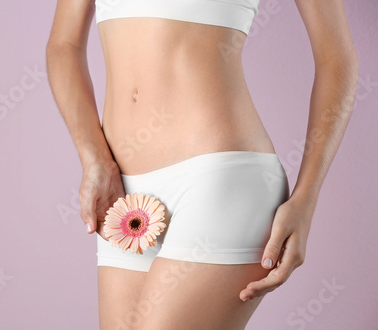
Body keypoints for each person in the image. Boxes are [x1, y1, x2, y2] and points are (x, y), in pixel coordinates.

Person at [46, 0, 359, 329]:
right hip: (122, 192)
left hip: (219, 181)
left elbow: (337, 58)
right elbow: (63, 45)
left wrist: (306, 197)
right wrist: (94, 157)